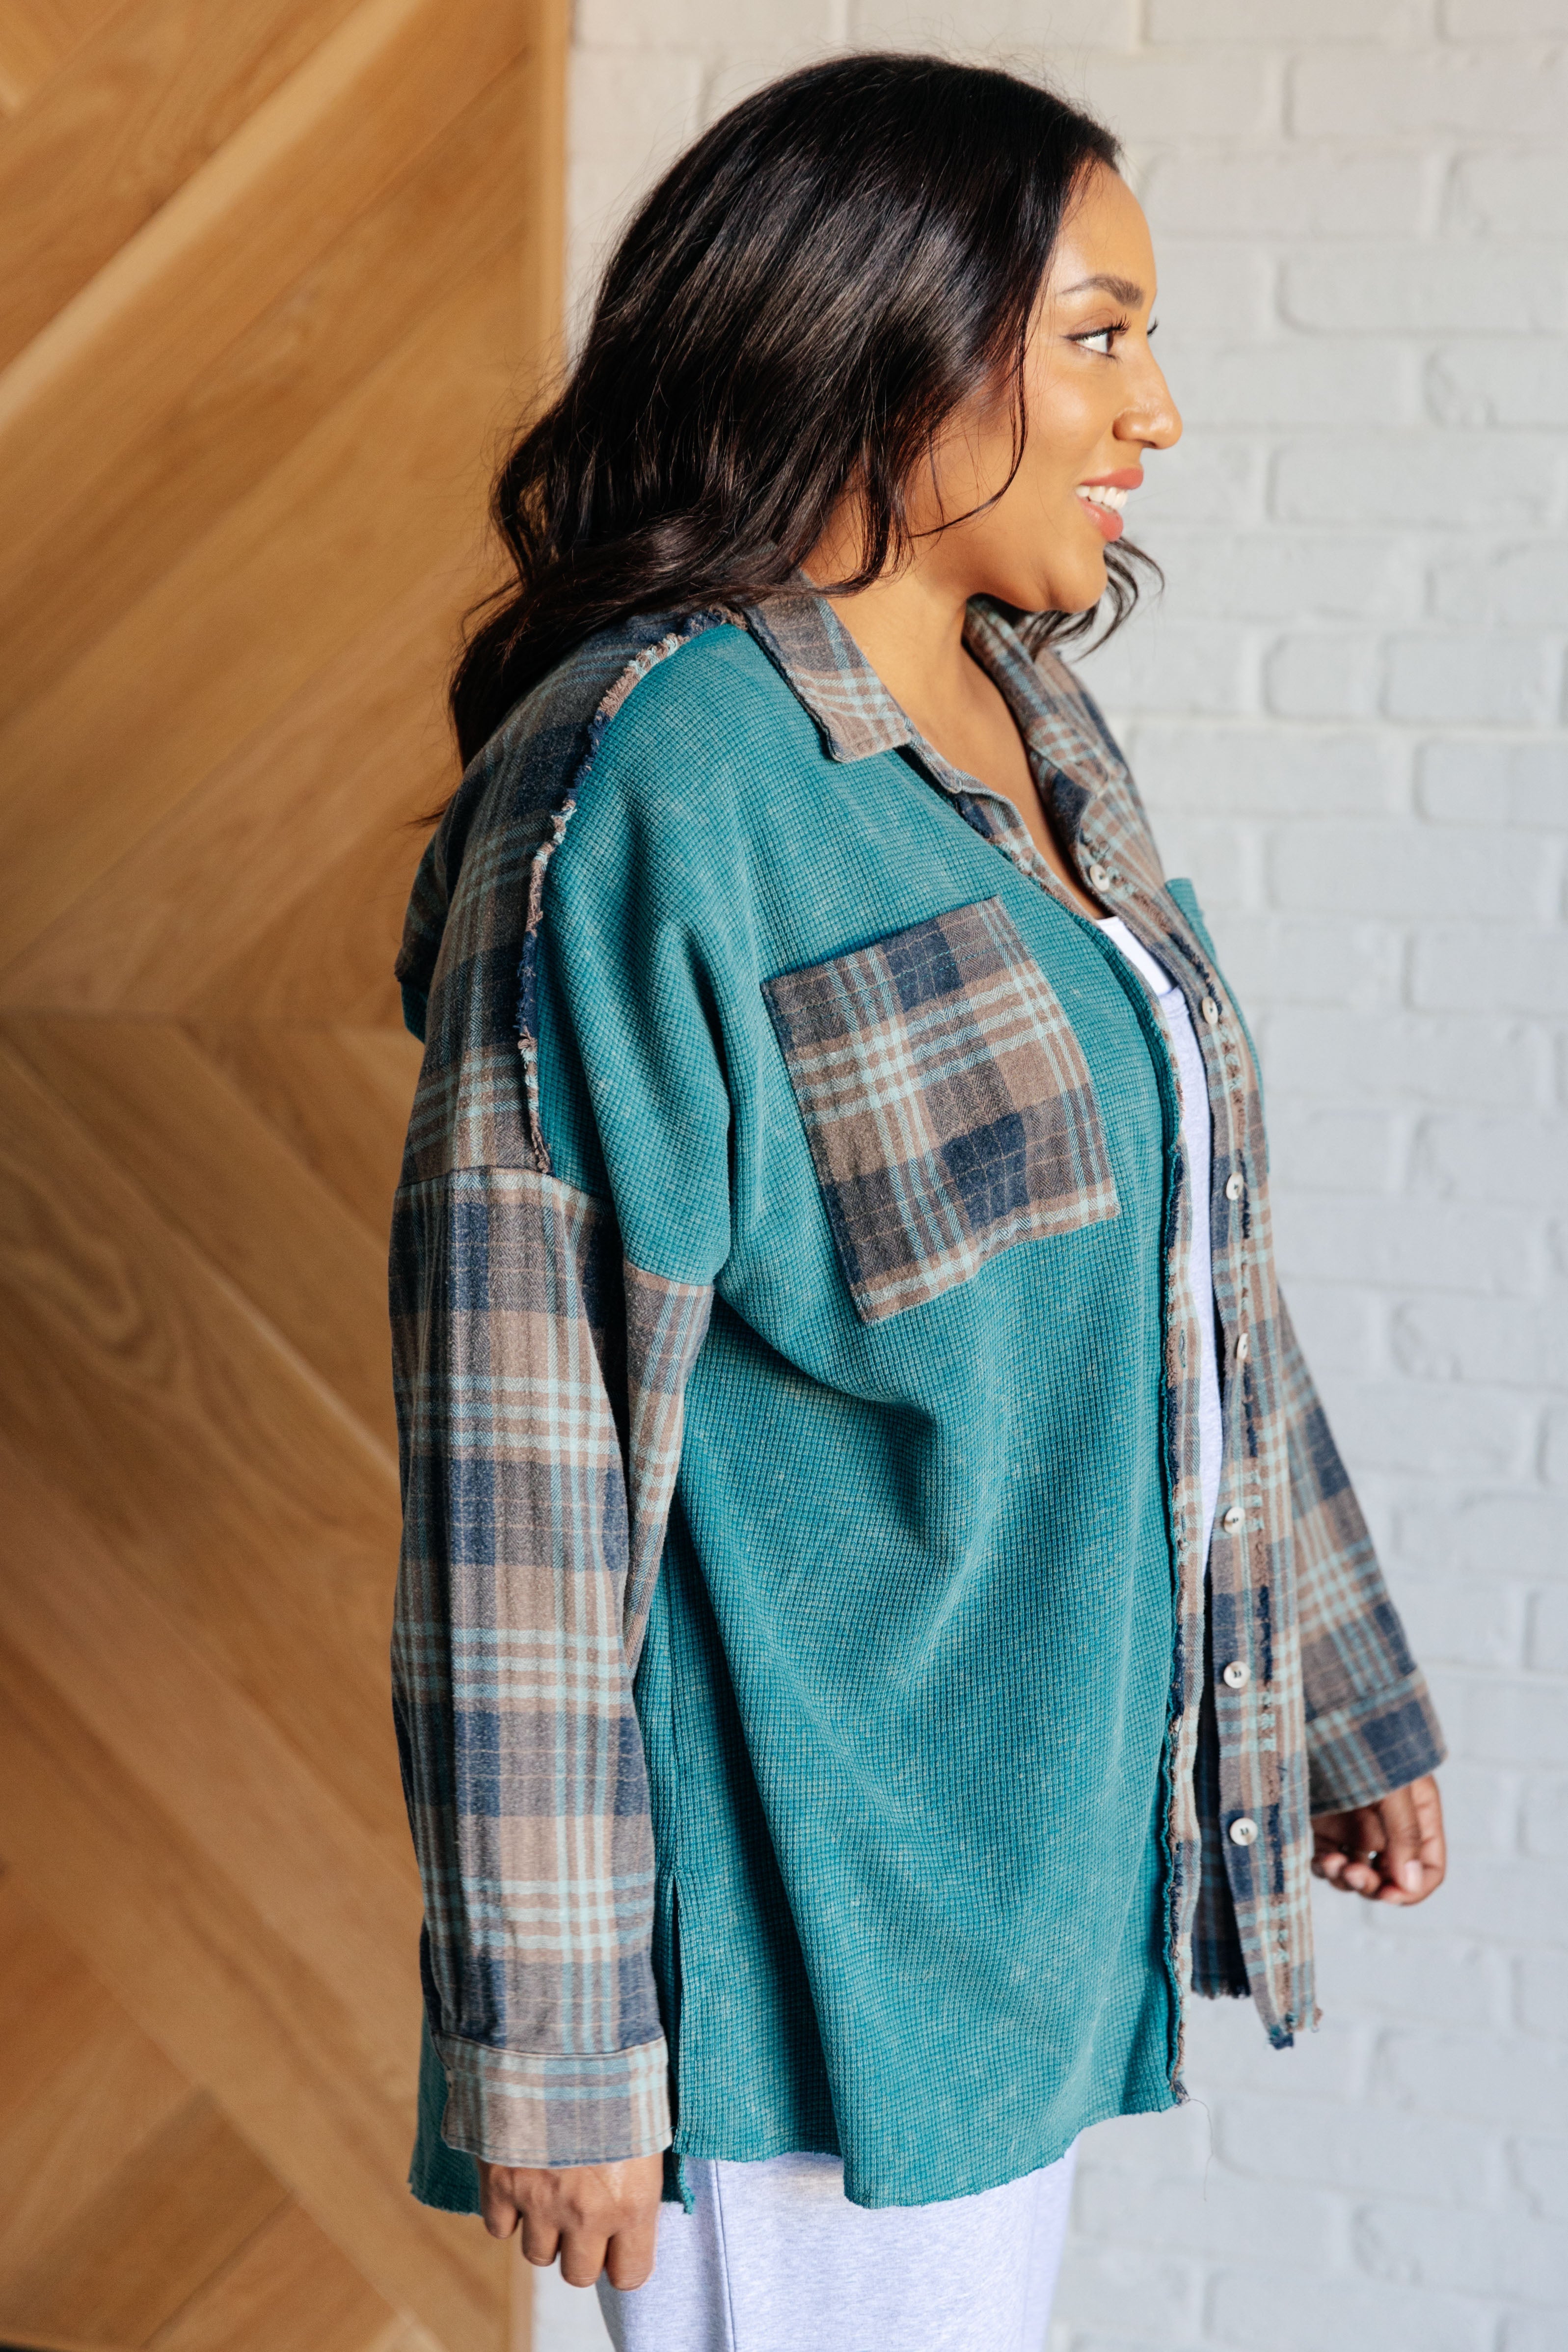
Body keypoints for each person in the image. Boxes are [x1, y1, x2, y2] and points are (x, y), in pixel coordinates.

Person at [388, 54, 1447, 2352]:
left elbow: (1184, 1265)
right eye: (1093, 335)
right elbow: (524, 1464)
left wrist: (1338, 1689)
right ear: (869, 336)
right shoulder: (644, 784)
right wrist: (562, 2040)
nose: (1151, 407)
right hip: (796, 1929)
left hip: (1022, 1875)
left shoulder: (1023, 726)